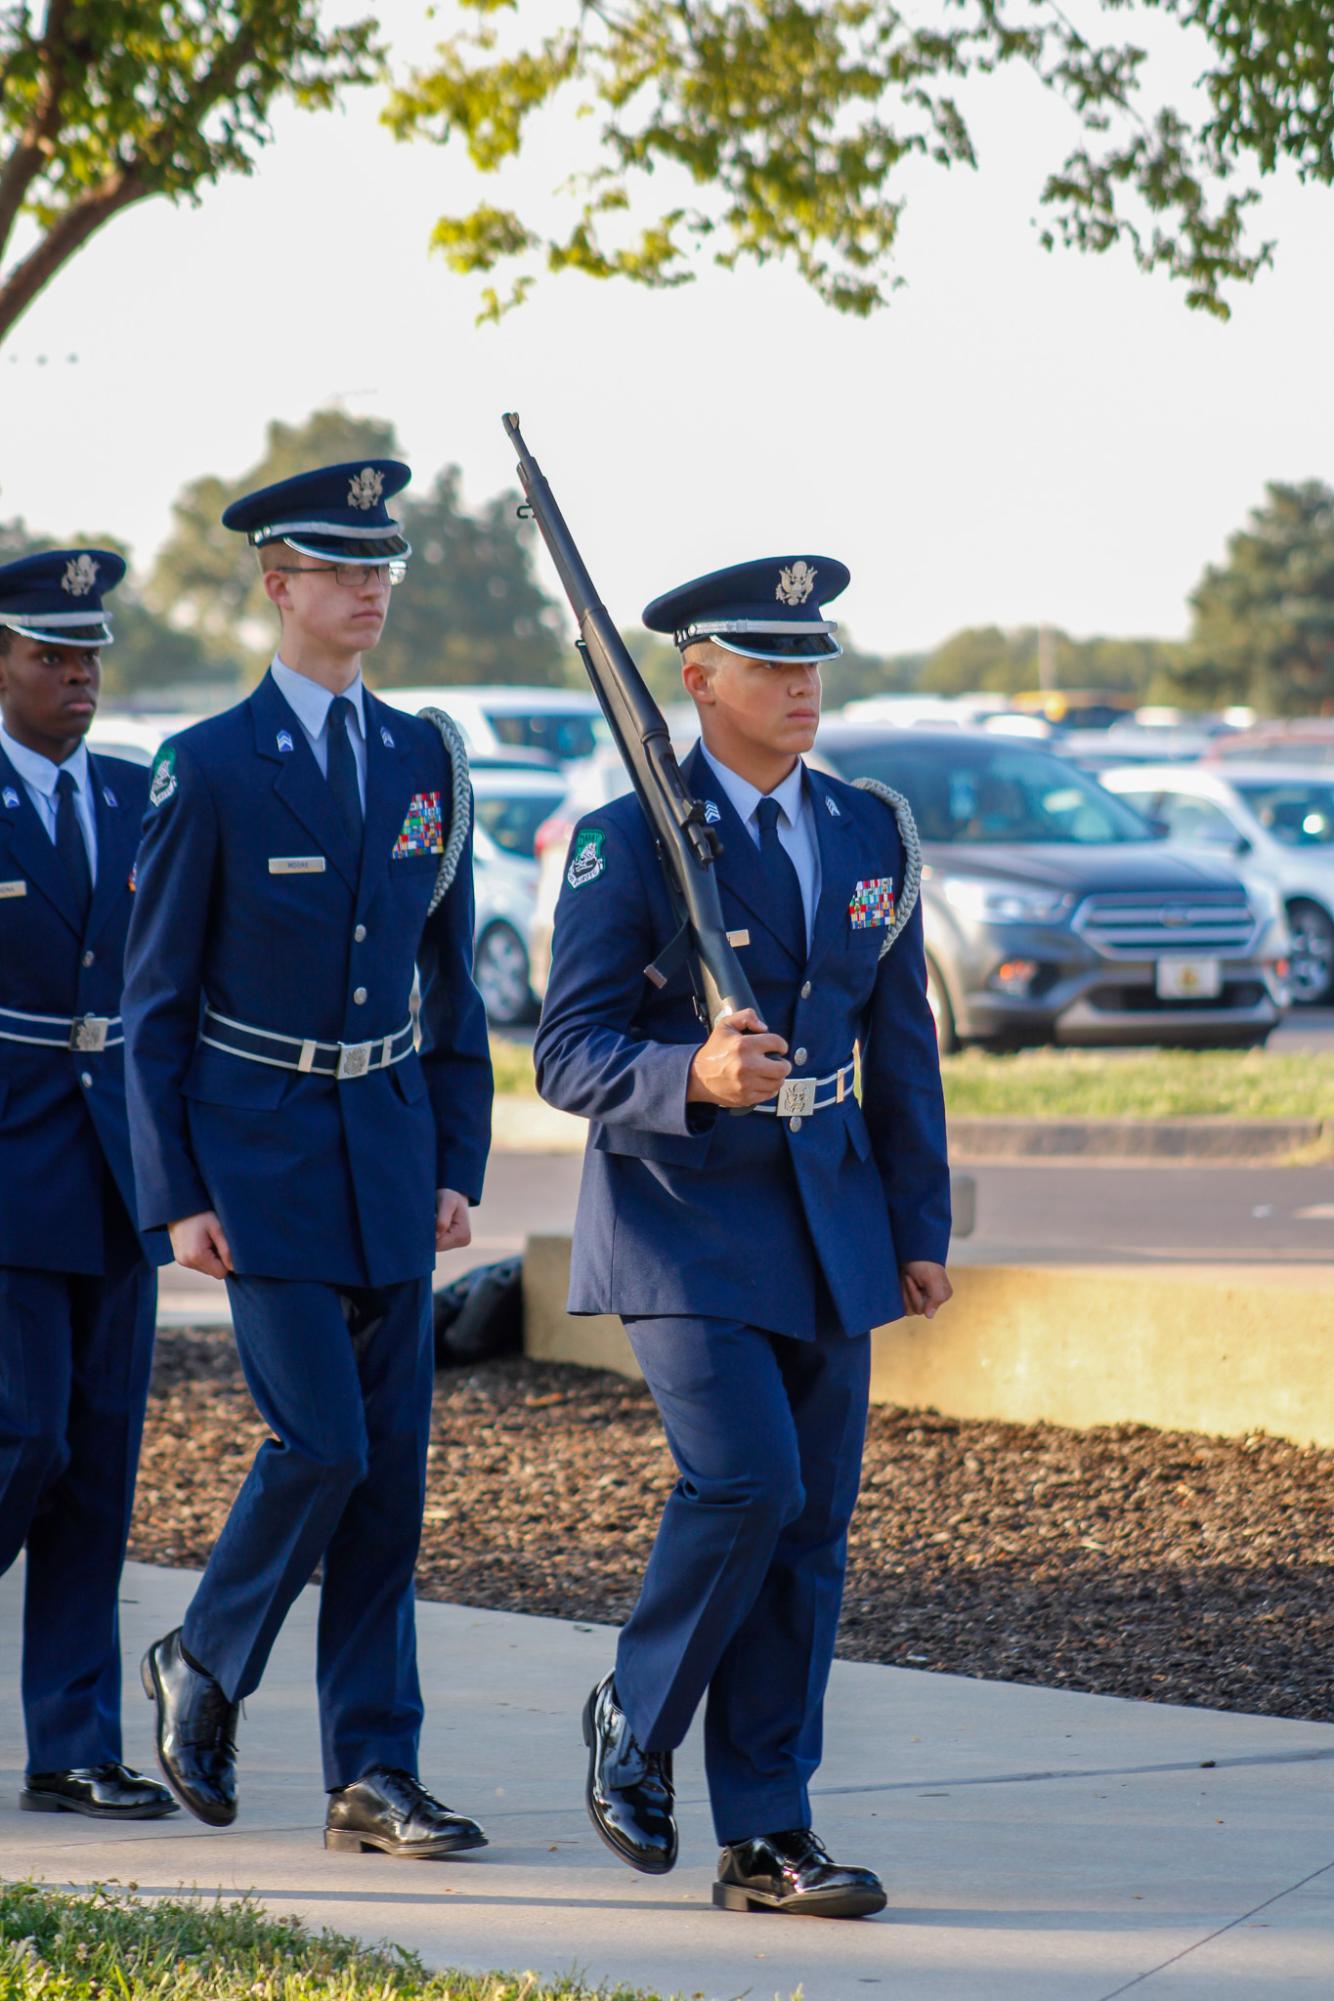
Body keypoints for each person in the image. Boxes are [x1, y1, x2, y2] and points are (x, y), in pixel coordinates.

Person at [534, 555, 952, 1918]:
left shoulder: (865, 828)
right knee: (747, 1485)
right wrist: (690, 1078)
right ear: (695, 679)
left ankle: (766, 1835)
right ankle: (634, 1712)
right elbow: (567, 1053)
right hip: (681, 1215)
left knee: (811, 1534)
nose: (802, 682)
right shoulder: (628, 840)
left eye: (811, 657)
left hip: (829, 1213)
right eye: (769, 662)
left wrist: (915, 1217)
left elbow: (903, 1044)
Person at [122, 461, 493, 1856]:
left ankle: (372, 1773)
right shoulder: (208, 766)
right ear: (278, 586)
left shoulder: (423, 759)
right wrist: (174, 1194)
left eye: (380, 564)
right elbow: (153, 1004)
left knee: (387, 1476)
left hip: (390, 1155)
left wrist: (455, 1152)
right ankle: (205, 1657)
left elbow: (447, 981)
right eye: (341, 568)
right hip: (257, 1158)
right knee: (320, 1441)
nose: (370, 586)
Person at [0, 549, 175, 1820]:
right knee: (25, 1434)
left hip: (120, 1170)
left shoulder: (137, 799)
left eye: (89, 654)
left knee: (97, 1464)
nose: (79, 675)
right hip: (5, 1162)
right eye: (50, 654)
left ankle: (73, 1744)